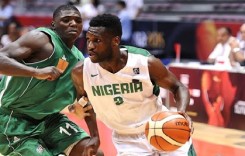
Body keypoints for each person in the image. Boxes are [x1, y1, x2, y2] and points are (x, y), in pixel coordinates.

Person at [72, 14, 196, 156]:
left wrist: (181, 112)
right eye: (88, 40)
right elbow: (85, 105)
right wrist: (94, 136)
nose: (90, 46)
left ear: (115, 41)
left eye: (97, 41)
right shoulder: (81, 71)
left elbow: (178, 87)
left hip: (161, 126)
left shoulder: (144, 62)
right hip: (126, 140)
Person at [0, 4, 101, 156]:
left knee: (92, 152)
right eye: (66, 20)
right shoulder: (41, 39)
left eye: (77, 20)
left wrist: (94, 136)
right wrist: (35, 72)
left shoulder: (80, 60)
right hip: (12, 119)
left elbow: (84, 102)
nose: (73, 23)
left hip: (49, 120)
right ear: (53, 24)